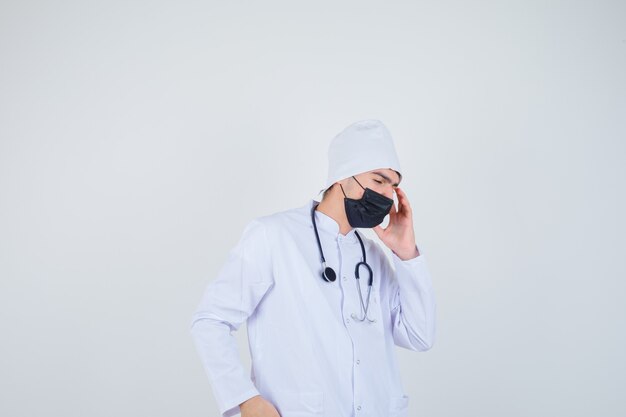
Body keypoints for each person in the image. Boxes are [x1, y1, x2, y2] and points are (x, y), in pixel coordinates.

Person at [189, 119, 437, 417]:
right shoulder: (274, 236)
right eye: (379, 181)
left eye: (394, 186)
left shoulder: (373, 256)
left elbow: (419, 336)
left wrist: (406, 254)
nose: (387, 195)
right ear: (343, 176)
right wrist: (246, 399)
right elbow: (210, 320)